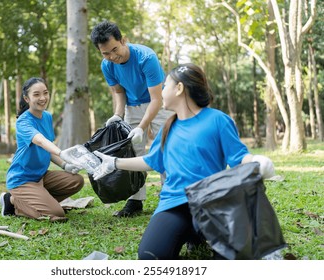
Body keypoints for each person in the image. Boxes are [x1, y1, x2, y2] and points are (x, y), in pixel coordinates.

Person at [91, 63, 276, 259]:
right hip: (174, 204)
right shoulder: (168, 127)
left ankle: (203, 236)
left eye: (166, 86)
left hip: (211, 203)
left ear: (179, 88)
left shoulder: (217, 120)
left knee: (234, 257)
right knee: (149, 256)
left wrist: (256, 160)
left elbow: (239, 157)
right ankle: (191, 234)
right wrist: (114, 163)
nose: (161, 90)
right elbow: (151, 161)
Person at [90, 20, 173, 217]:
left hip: (159, 104)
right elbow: (119, 93)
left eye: (114, 49)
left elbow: (156, 98)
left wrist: (142, 127)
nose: (112, 56)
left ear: (123, 40)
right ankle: (135, 200)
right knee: (132, 152)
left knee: (165, 147)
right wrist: (118, 115)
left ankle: (169, 198)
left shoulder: (146, 57)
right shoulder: (107, 65)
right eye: (105, 53)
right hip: (131, 106)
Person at [0, 77, 84, 222]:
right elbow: (40, 141)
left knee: (77, 181)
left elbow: (47, 149)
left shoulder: (47, 116)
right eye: (36, 94)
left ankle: (40, 200)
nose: (43, 98)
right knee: (57, 213)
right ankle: (13, 202)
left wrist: (65, 165)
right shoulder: (23, 121)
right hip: (22, 179)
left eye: (45, 93)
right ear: (27, 98)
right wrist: (62, 152)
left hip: (41, 176)